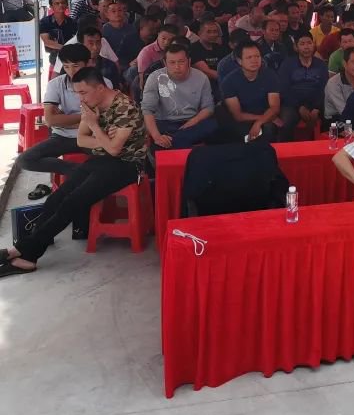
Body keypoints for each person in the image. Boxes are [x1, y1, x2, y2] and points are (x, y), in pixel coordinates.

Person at [1, 67, 147, 277]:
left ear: (100, 88)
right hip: (101, 159)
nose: (80, 98)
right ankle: (22, 249)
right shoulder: (90, 103)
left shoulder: (125, 107)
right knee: (57, 197)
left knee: (73, 202)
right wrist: (105, 138)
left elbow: (115, 150)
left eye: (83, 92)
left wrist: (95, 126)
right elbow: (81, 140)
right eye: (77, 93)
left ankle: (28, 256)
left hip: (127, 164)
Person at [16, 44, 103, 187]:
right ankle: (79, 171)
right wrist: (86, 117)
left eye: (76, 66)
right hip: (63, 137)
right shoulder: (56, 84)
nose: (71, 71)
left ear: (88, 63)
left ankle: (84, 175)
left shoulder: (102, 83)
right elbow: (50, 120)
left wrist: (65, 119)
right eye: (66, 66)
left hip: (92, 135)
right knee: (25, 159)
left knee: (113, 156)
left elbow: (102, 118)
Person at [142, 43, 217, 150]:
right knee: (156, 134)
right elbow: (147, 110)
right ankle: (182, 144)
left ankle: (177, 141)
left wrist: (191, 122)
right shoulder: (155, 78)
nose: (177, 67)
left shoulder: (201, 77)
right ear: (165, 63)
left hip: (192, 121)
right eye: (172, 62)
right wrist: (157, 136)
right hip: (164, 122)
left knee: (213, 125)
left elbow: (208, 107)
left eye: (181, 62)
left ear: (189, 61)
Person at [220, 41, 281, 142]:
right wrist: (262, 118)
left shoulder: (270, 75)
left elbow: (274, 107)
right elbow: (238, 115)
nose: (254, 60)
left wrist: (259, 122)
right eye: (249, 57)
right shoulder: (229, 81)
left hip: (266, 116)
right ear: (239, 61)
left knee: (269, 129)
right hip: (242, 120)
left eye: (257, 56)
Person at [277, 32, 330, 141]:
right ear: (295, 47)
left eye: (309, 43)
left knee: (331, 118)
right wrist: (299, 107)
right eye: (302, 44)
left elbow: (324, 88)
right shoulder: (287, 64)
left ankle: (323, 148)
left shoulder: (321, 65)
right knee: (286, 121)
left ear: (314, 45)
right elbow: (284, 89)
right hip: (292, 104)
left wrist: (317, 108)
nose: (306, 47)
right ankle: (287, 150)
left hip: (316, 103)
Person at [325, 46, 354, 124]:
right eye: (353, 62)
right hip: (337, 119)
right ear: (345, 64)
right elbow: (344, 111)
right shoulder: (333, 83)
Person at [39, 0, 78, 65]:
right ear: (51, 6)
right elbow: (47, 41)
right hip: (54, 55)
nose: (61, 5)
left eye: (63, 3)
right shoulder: (45, 22)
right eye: (57, 3)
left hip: (71, 55)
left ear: (66, 5)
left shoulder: (72, 22)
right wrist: (65, 48)